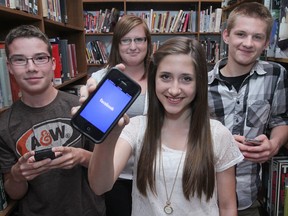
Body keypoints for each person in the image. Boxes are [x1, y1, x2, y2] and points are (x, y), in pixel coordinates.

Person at [79, 37, 244, 215]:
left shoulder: (218, 134)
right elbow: (99, 185)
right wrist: (107, 136)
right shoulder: (136, 128)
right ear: (154, 79)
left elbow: (227, 206)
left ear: (199, 83)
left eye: (186, 79)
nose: (174, 90)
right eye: (165, 77)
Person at [0, 25, 105, 216]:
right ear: (9, 67)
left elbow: (105, 168)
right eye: (20, 60)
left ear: (54, 63)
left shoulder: (82, 107)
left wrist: (81, 156)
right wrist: (17, 175)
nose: (31, 68)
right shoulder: (4, 126)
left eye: (40, 58)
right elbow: (15, 193)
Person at [208, 2, 288, 216]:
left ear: (266, 43)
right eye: (241, 34)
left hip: (248, 195)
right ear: (226, 36)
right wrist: (219, 143)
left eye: (257, 37)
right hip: (203, 195)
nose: (248, 43)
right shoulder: (201, 82)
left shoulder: (276, 74)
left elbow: (280, 120)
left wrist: (273, 144)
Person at [90, 14, 152, 216]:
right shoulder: (101, 78)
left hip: (153, 173)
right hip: (116, 174)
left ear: (147, 43)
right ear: (117, 44)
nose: (133, 46)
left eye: (139, 39)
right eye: (126, 40)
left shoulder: (161, 76)